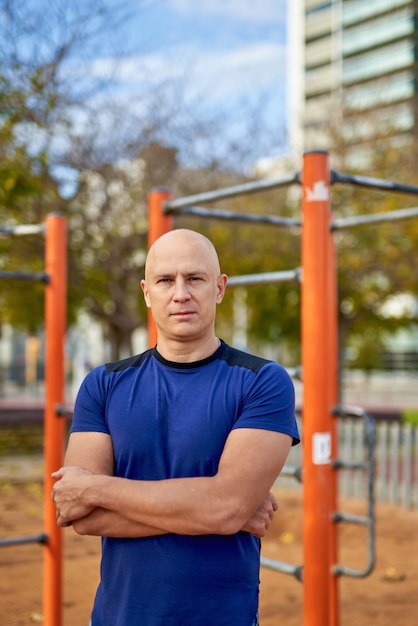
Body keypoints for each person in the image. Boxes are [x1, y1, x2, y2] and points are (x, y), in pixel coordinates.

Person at [52, 228, 300, 626]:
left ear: (219, 288)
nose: (180, 293)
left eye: (195, 278)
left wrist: (98, 488)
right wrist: (217, 510)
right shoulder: (103, 384)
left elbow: (225, 509)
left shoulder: (262, 381)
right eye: (166, 280)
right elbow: (83, 516)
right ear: (147, 292)